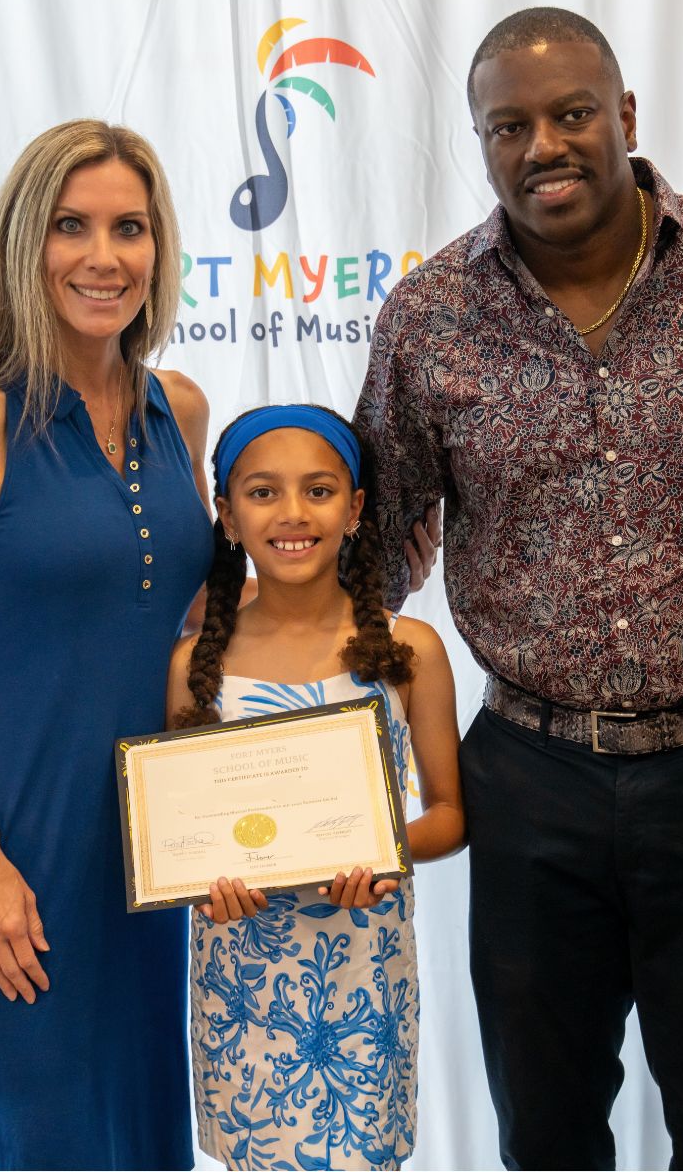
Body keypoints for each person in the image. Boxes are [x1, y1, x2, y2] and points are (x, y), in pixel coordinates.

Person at [354, 7, 683, 1170]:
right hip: (530, 779)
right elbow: (376, 551)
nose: (544, 143)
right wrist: (248, 667)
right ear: (483, 144)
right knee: (542, 1126)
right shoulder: (431, 316)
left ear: (628, 118)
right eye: (510, 125)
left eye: (572, 113)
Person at [0, 120, 212, 1169]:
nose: (103, 256)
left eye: (129, 228)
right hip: (21, 869)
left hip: (157, 872)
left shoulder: (181, 410)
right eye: (72, 226)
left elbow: (190, 633)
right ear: (28, 243)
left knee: (153, 1147)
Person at [165, 404, 463, 1171]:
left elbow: (450, 815)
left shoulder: (410, 650)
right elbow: (180, 832)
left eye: (319, 490)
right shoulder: (193, 662)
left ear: (357, 509)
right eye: (262, 493)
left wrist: (382, 850)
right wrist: (199, 882)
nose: (292, 514)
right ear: (226, 517)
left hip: (363, 970)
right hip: (241, 978)